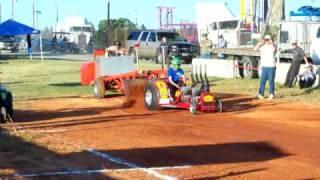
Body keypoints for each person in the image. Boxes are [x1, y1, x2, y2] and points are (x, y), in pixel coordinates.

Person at [254, 34, 277, 100]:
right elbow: (255, 49)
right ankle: (261, 94)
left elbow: (275, 49)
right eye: (266, 40)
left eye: (268, 40)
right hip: (264, 66)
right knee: (262, 81)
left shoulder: (272, 46)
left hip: (271, 66)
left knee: (271, 81)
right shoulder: (262, 47)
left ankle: (271, 94)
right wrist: (260, 43)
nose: (267, 41)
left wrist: (271, 42)